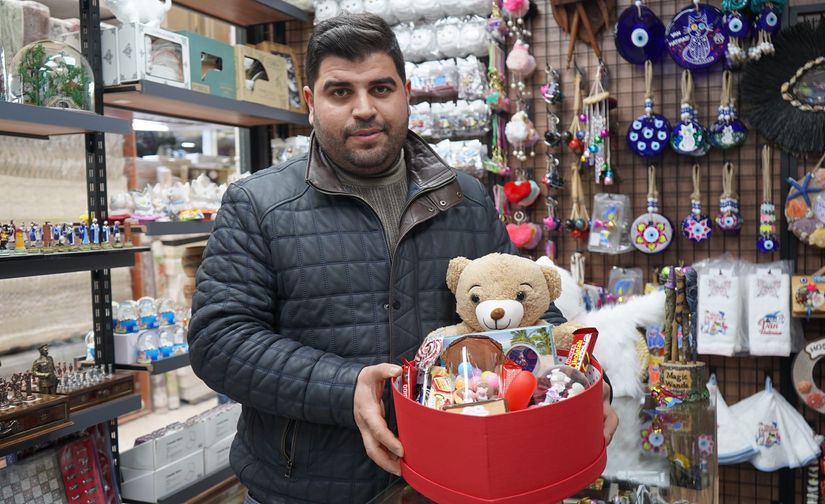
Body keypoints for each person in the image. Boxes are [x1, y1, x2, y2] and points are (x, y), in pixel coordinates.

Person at [188, 13, 618, 504]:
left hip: (453, 481)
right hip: (306, 487)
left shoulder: (468, 200)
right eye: (340, 92)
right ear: (310, 103)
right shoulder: (259, 206)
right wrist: (345, 387)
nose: (364, 109)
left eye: (380, 88)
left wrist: (584, 381)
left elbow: (527, 304)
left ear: (407, 92)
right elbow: (218, 341)